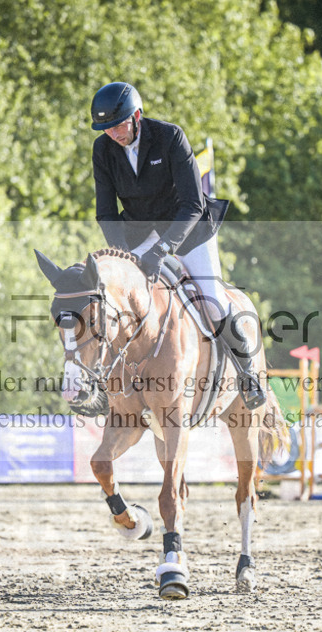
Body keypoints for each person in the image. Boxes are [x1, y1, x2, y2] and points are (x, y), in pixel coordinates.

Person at [90, 81, 265, 409]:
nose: (113, 134)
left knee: (212, 302)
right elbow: (106, 213)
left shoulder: (170, 138)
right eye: (106, 129)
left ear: (137, 116)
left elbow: (192, 205)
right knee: (117, 300)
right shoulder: (103, 150)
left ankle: (248, 373)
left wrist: (162, 250)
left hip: (188, 229)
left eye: (117, 126)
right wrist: (123, 257)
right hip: (140, 235)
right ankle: (106, 383)